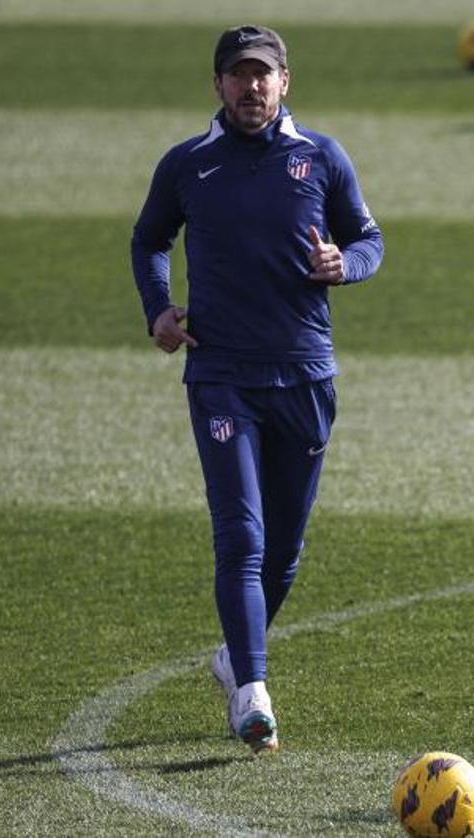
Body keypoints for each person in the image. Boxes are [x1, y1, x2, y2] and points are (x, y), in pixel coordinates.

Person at [130, 24, 383, 754]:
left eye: (262, 75)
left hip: (305, 373)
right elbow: (149, 238)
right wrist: (159, 310)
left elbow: (370, 239)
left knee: (285, 551)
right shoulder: (188, 165)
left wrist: (348, 264)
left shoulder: (321, 158)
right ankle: (252, 693)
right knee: (241, 537)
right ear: (218, 85)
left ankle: (233, 657)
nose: (251, 87)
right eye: (238, 76)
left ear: (284, 82)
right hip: (221, 376)